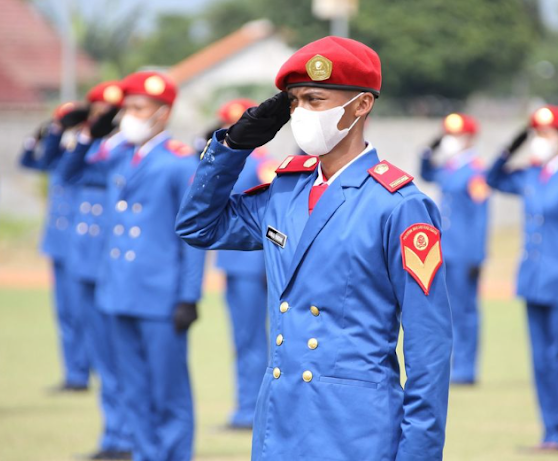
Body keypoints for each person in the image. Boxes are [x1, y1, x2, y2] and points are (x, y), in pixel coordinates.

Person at [176, 36, 453, 461]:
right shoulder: (285, 193)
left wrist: (419, 452)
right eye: (294, 102)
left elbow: (428, 347)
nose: (302, 113)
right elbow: (197, 225)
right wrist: (232, 146)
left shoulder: (399, 205)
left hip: (355, 427)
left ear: (361, 105)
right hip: (280, 420)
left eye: (315, 99)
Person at [59, 71, 206, 461]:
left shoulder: (178, 162)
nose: (129, 116)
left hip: (160, 296)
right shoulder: (120, 154)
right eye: (126, 108)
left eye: (138, 108)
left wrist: (189, 296)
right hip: (117, 291)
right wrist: (91, 131)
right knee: (131, 388)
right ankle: (145, 454)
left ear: (163, 113)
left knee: (168, 391)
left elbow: (192, 237)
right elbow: (69, 174)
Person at [60, 81, 134, 460]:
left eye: (110, 111)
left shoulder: (129, 152)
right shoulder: (98, 146)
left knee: (123, 357)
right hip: (86, 264)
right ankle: (113, 434)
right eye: (97, 111)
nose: (102, 117)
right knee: (103, 356)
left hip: (115, 266)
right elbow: (67, 173)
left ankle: (128, 435)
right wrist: (87, 135)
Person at [486, 105, 558, 452]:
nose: (541, 141)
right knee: (542, 362)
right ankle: (550, 434)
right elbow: (492, 178)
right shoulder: (532, 175)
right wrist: (511, 146)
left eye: (547, 134)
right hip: (533, 280)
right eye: (536, 134)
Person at [209, 99, 275, 429]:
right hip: (234, 263)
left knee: (252, 340)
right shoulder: (229, 156)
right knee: (242, 339)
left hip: (253, 264)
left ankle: (251, 410)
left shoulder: (262, 161)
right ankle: (244, 406)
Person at [20, 101, 90, 391]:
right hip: (57, 242)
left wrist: (82, 135)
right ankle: (74, 371)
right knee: (64, 312)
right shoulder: (58, 154)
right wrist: (42, 135)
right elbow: (27, 162)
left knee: (81, 311)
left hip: (77, 243)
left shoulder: (83, 157)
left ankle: (85, 370)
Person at [420, 113, 489, 384]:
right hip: (442, 249)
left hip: (464, 252)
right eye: (447, 135)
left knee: (464, 310)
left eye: (455, 136)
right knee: (443, 310)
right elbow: (426, 171)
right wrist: (432, 146)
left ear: (470, 139)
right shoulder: (448, 168)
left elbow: (480, 216)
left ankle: (466, 368)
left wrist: (477, 255)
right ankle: (449, 364)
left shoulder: (475, 171)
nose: (450, 141)